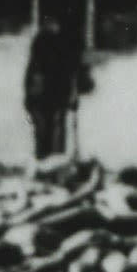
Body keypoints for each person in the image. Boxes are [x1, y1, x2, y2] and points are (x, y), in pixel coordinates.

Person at [22, 10, 87, 162]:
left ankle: (49, 161)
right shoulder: (51, 41)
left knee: (50, 128)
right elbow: (72, 70)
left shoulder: (50, 41)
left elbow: (72, 70)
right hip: (48, 93)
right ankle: (49, 161)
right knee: (51, 128)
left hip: (51, 92)